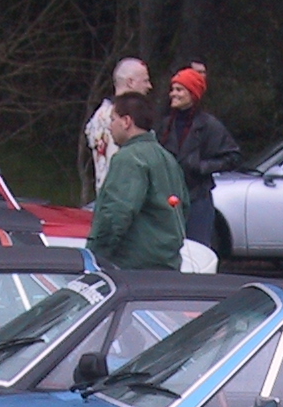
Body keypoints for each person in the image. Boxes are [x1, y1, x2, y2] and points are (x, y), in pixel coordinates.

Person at [88, 92, 186, 270]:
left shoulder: (128, 158)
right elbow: (184, 208)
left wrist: (95, 256)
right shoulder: (168, 159)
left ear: (126, 121)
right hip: (168, 265)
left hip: (132, 267)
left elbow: (116, 214)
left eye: (113, 120)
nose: (109, 126)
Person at [158, 65, 242, 248]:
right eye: (172, 89)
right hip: (169, 202)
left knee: (197, 251)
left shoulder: (209, 125)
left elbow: (233, 157)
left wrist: (202, 166)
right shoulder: (165, 125)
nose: (173, 94)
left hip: (197, 201)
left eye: (179, 89)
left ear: (192, 93)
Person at [86, 57, 151, 191]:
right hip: (123, 197)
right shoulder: (122, 119)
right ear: (130, 82)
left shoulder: (98, 117)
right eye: (145, 81)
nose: (149, 86)